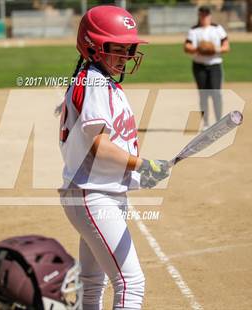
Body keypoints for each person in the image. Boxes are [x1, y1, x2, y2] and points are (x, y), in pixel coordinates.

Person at [58, 5, 170, 310]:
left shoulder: (99, 80)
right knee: (130, 283)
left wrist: (137, 167)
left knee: (94, 283)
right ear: (92, 46)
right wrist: (142, 165)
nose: (124, 55)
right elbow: (100, 145)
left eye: (128, 47)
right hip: (94, 194)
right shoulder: (94, 82)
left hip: (95, 191)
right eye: (115, 48)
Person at [184, 5, 230, 129]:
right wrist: (199, 49)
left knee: (216, 93)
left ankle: (219, 122)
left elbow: (226, 47)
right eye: (202, 14)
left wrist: (214, 49)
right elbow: (187, 47)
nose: (204, 17)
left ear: (210, 15)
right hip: (199, 66)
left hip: (215, 65)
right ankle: (206, 123)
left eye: (206, 14)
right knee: (203, 94)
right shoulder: (194, 30)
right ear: (199, 15)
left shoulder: (217, 29)